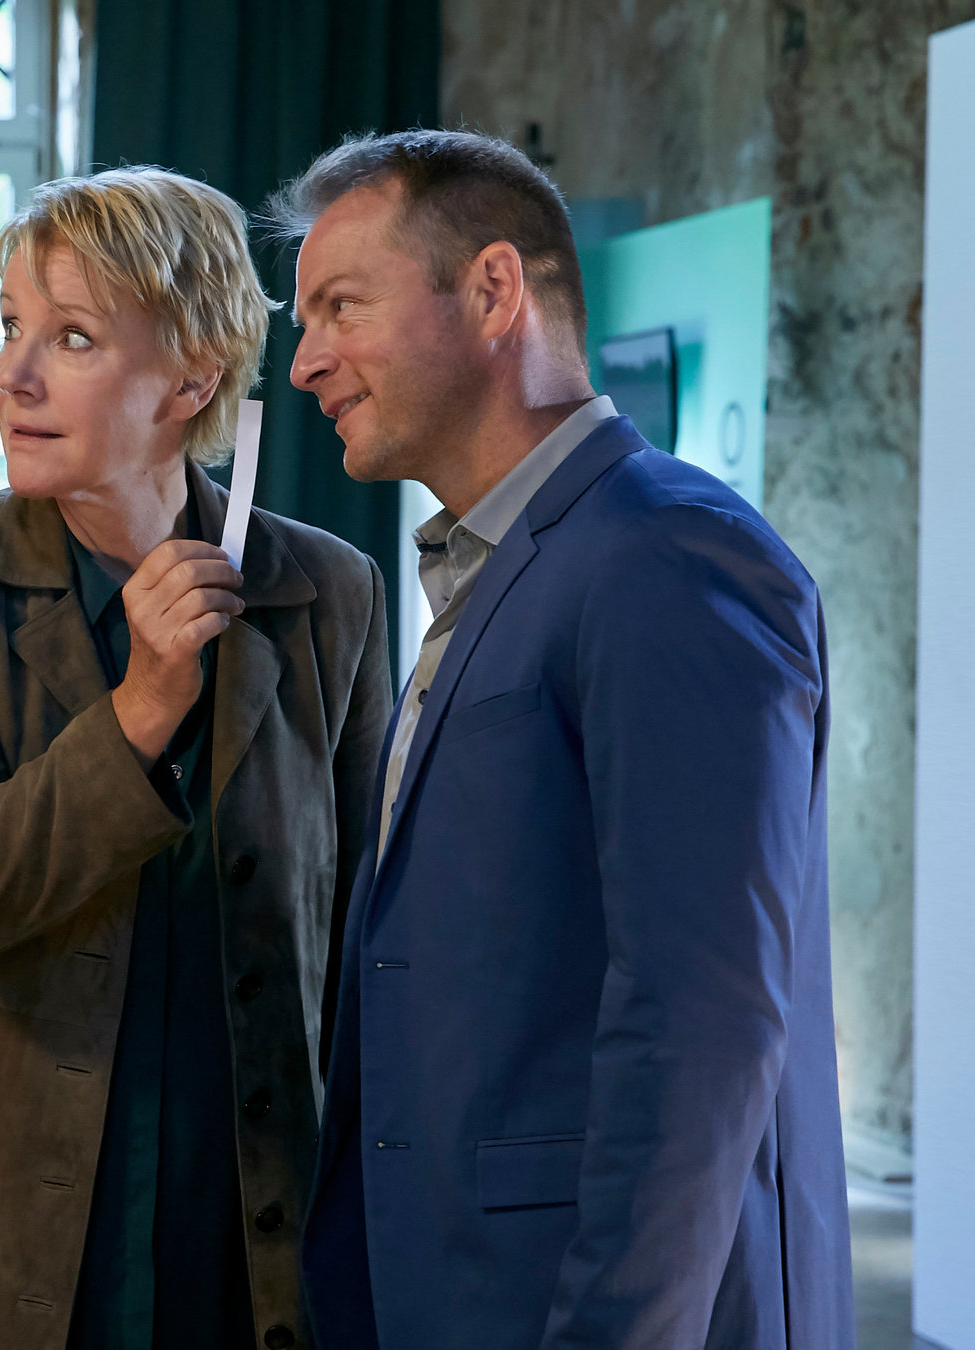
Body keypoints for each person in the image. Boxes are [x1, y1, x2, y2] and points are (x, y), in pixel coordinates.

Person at [276, 130, 852, 1347]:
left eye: (342, 308)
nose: (306, 360)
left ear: (494, 291)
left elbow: (698, 1024)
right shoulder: (494, 569)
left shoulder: (667, 554)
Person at [0, 167, 393, 1350]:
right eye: (10, 328)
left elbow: (363, 932)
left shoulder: (327, 590)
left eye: (71, 338)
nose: (14, 376)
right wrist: (142, 707)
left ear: (192, 379)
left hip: (246, 1224)